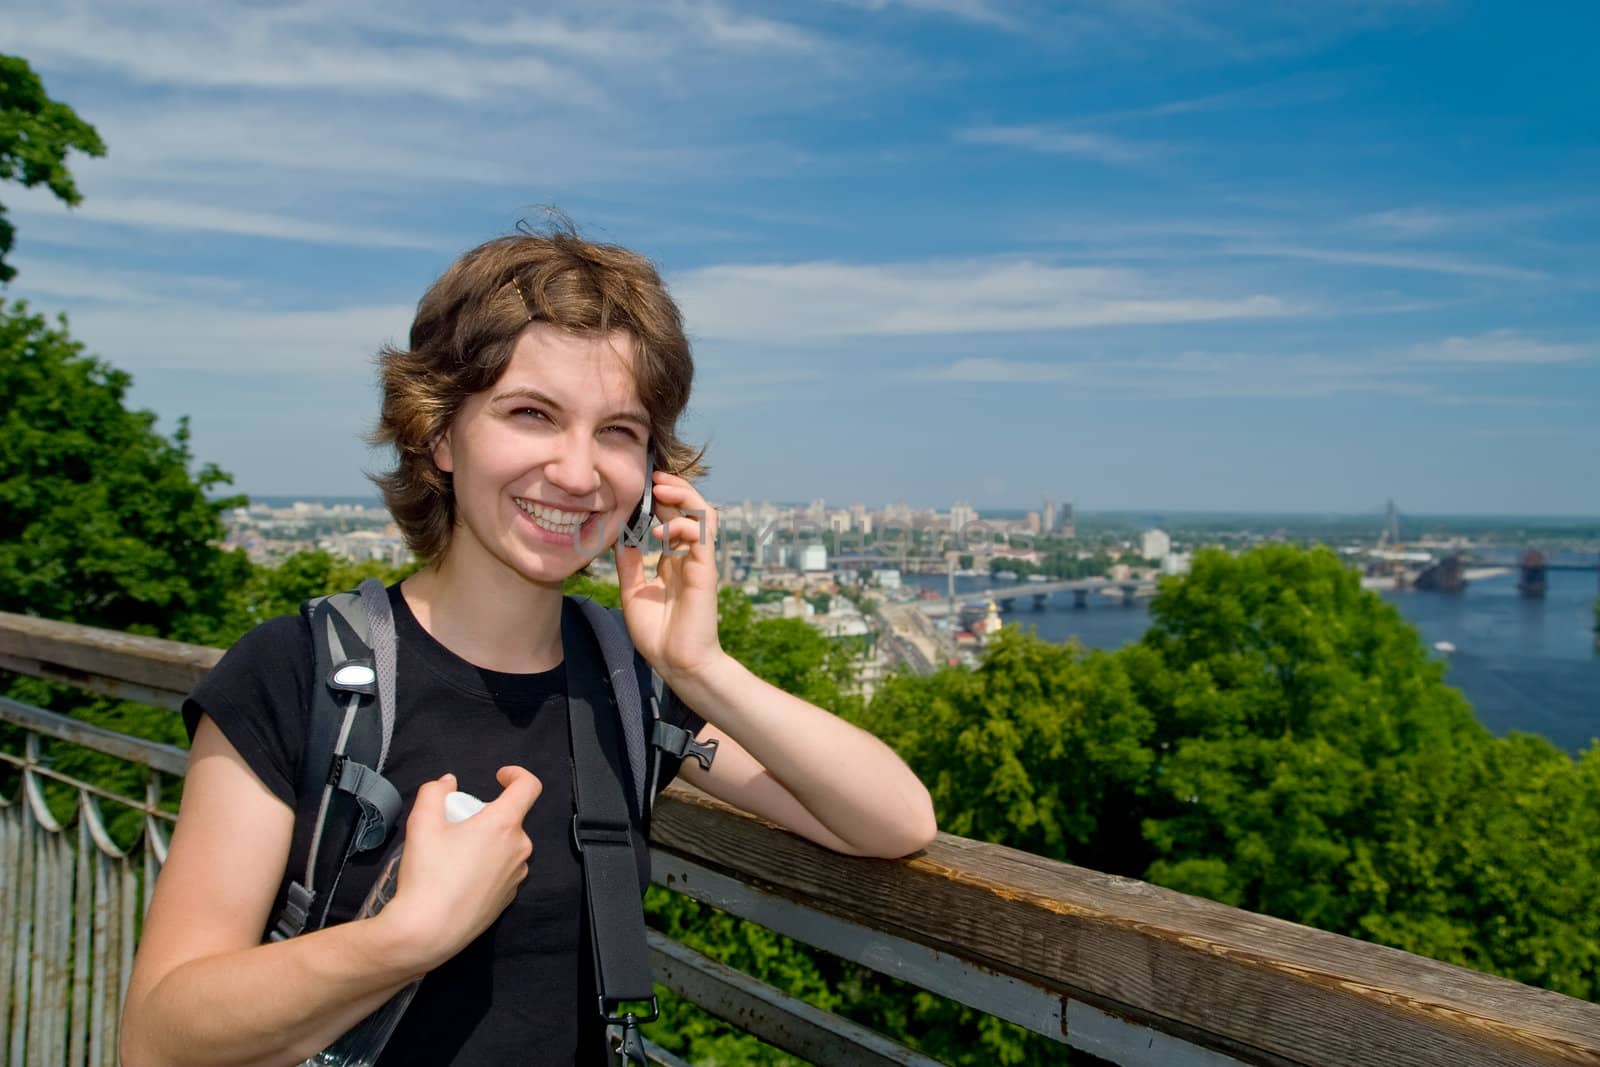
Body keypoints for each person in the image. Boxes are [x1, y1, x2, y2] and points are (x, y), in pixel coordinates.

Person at [118, 227, 938, 1066]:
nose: (578, 473)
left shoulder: (627, 686)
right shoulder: (302, 675)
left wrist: (699, 665)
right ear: (439, 434)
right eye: (531, 413)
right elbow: (157, 1040)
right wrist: (405, 935)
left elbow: (893, 820)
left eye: (618, 430)